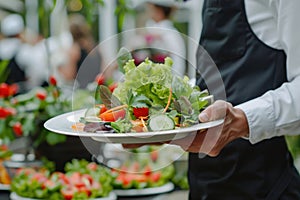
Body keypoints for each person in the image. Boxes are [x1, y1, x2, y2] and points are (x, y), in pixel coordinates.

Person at [125, 0, 300, 199]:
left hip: (263, 185)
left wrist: (243, 120)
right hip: (204, 184)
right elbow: (214, 81)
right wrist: (160, 121)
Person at [144, 1, 186, 77]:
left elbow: (178, 62)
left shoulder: (170, 35)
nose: (148, 13)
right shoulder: (153, 31)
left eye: (151, 9)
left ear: (159, 11)